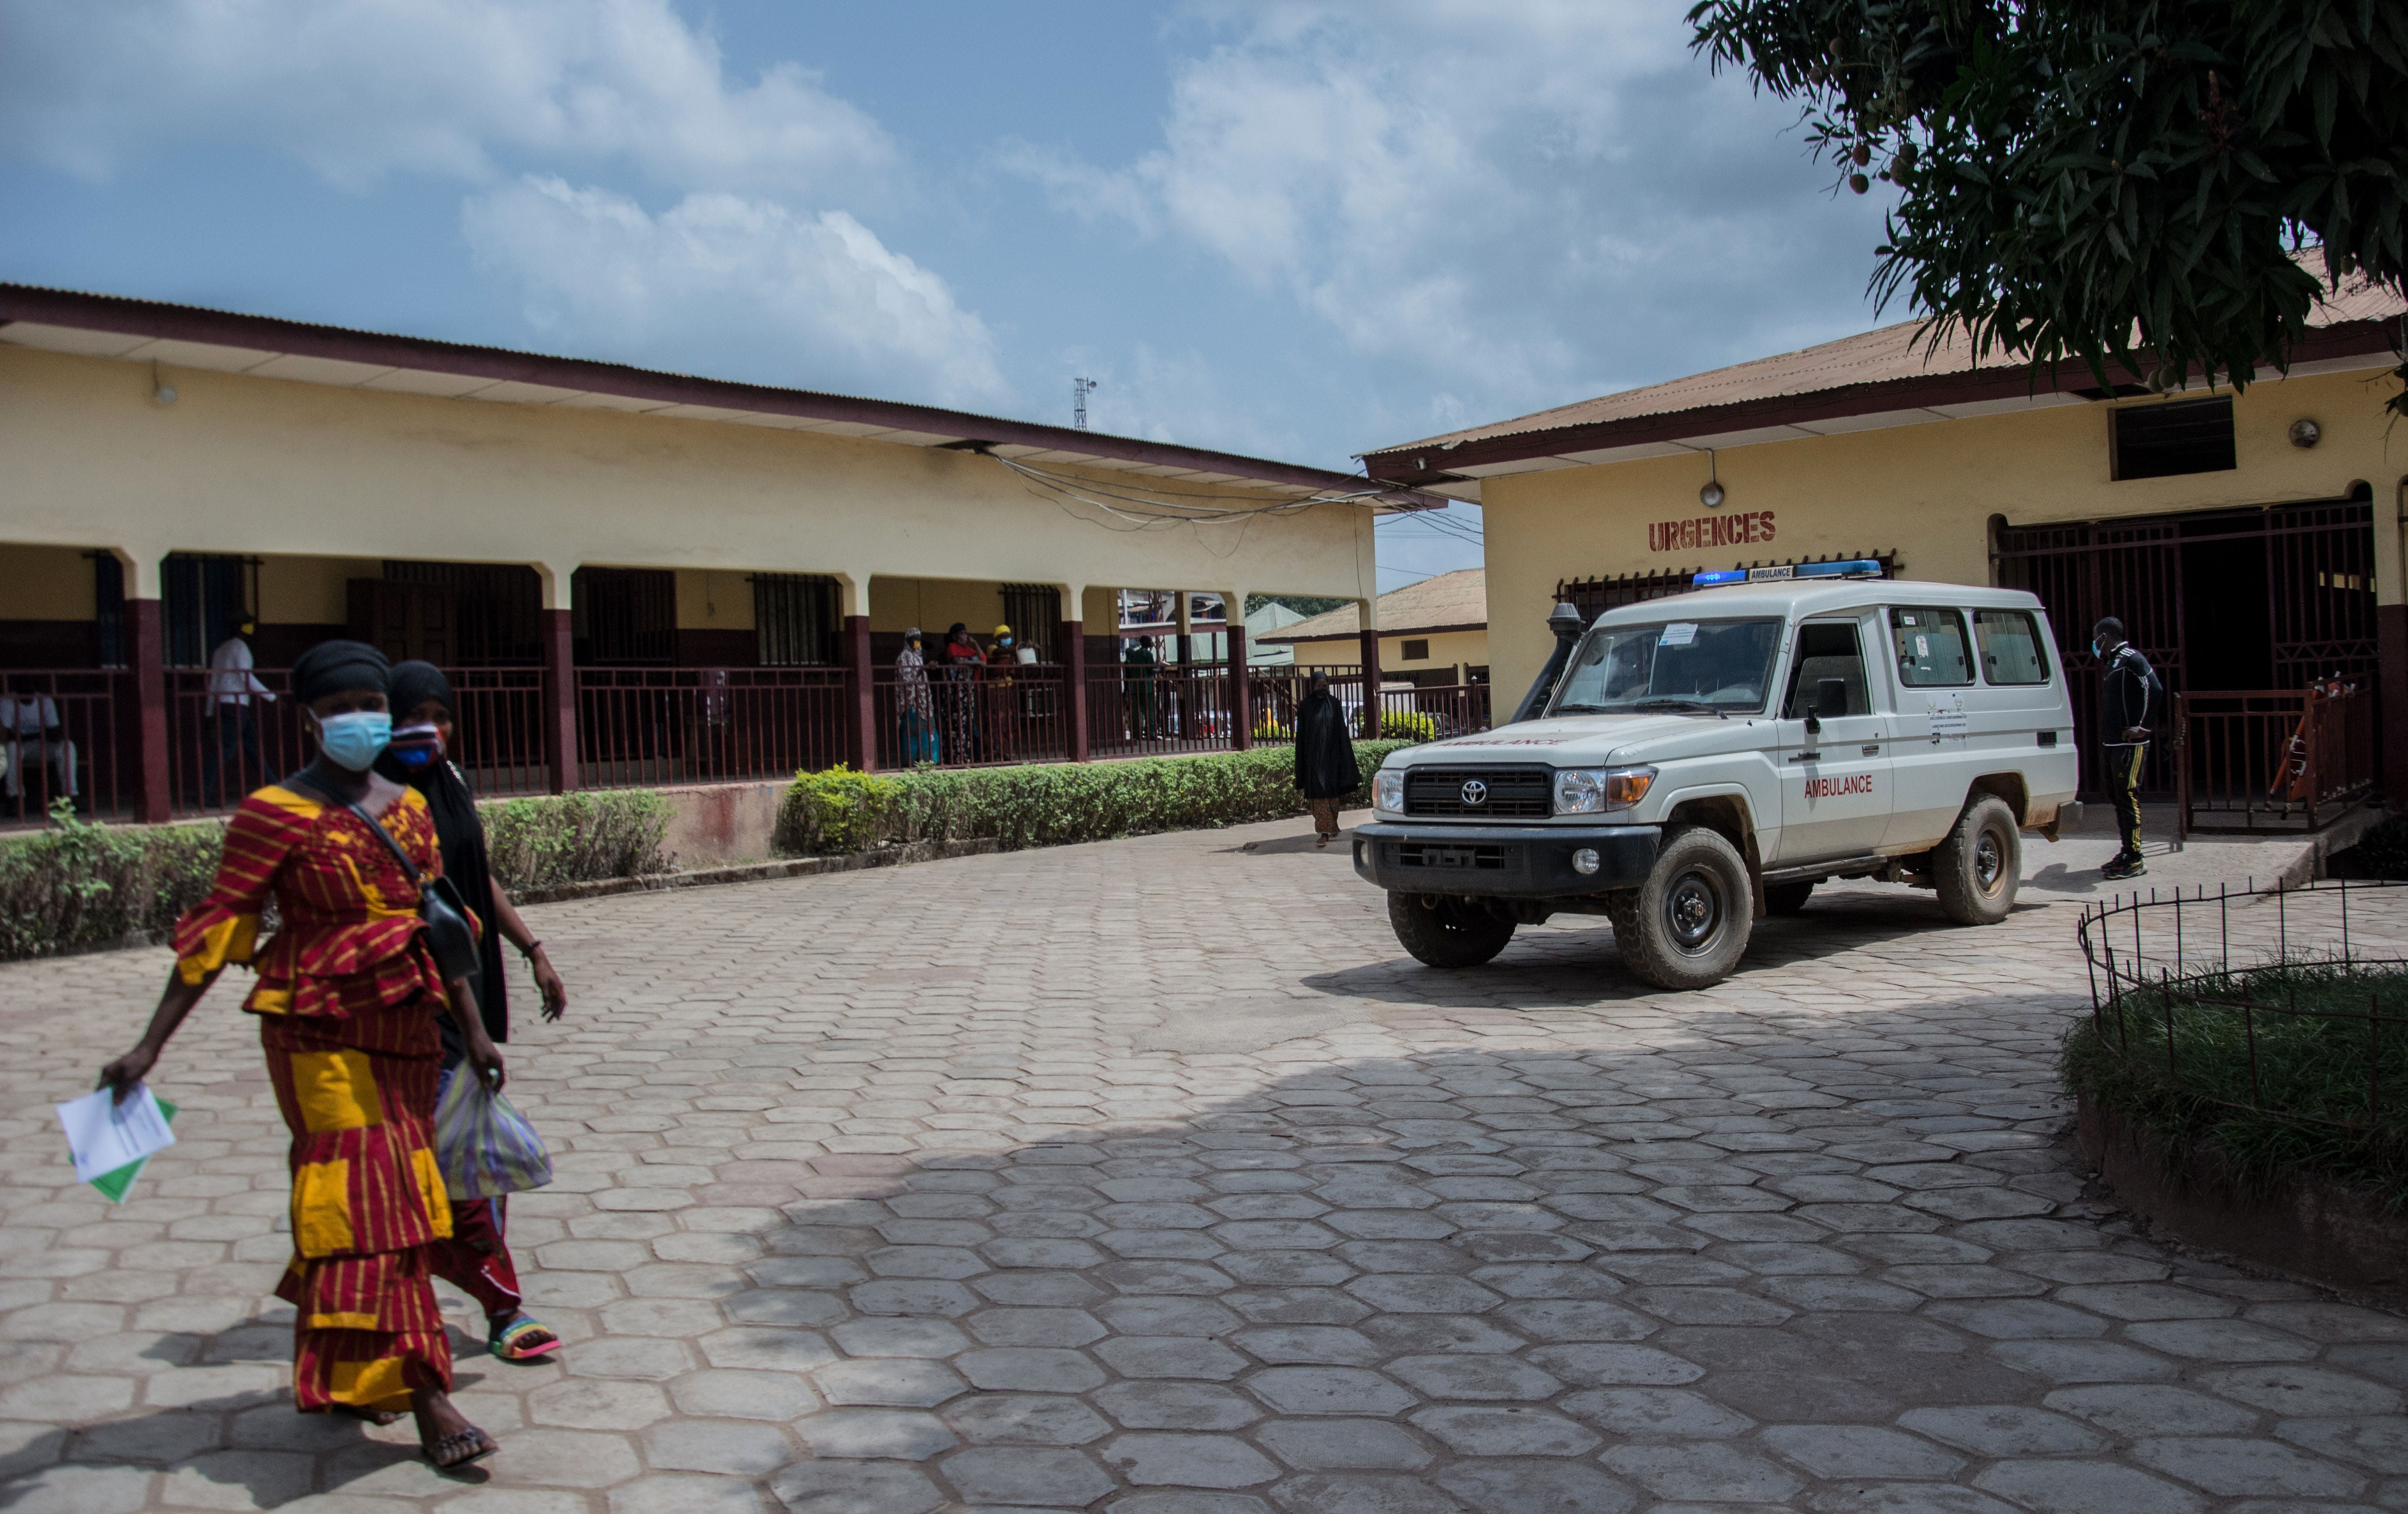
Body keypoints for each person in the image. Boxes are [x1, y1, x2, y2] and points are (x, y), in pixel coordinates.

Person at [98, 641, 503, 1469]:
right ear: (309, 717)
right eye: (345, 703)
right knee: (368, 1196)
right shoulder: (271, 812)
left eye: (374, 701)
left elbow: (445, 927)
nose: (364, 717)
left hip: (404, 1030)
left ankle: (346, 1364)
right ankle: (426, 1391)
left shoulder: (410, 808)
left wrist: (475, 1029)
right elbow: (217, 932)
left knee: (385, 1199)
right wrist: (149, 1045)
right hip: (313, 1029)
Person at [378, 662, 569, 1365]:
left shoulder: (449, 783)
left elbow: (474, 876)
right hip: (412, 1001)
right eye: (412, 715)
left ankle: (488, 1302)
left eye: (441, 715)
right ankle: (493, 1305)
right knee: (430, 1161)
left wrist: (533, 950)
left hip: (469, 993)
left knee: (469, 1154)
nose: (429, 729)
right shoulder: (376, 796)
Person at [2094, 616, 2163, 881]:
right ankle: (2126, 851)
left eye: (2096, 637)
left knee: (2127, 796)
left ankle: (2136, 859)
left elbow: (2155, 689)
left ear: (2105, 637)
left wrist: (2144, 727)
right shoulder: (2112, 662)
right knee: (2116, 797)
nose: (2095, 643)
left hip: (2128, 745)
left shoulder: (2132, 658)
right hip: (2111, 743)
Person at [204, 617, 276, 806]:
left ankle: (276, 787)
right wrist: (272, 697)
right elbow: (247, 678)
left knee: (253, 749)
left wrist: (210, 710)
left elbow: (214, 683)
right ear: (244, 628)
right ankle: (204, 794)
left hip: (226, 705)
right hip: (236, 706)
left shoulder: (220, 650)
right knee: (223, 751)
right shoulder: (241, 648)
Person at [1294, 671, 1360, 847]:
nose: (1322, 689)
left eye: (1325, 686)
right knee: (1319, 797)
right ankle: (1324, 833)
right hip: (1314, 762)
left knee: (1333, 796)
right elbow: (1301, 737)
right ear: (1313, 687)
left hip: (1332, 760)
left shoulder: (1335, 704)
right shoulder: (1306, 706)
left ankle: (1333, 826)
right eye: (1319, 686)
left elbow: (1341, 733)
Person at [1, 680, 78, 815]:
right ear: (16, 691)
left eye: (30, 690)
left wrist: (27, 735)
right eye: (23, 690)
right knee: (12, 748)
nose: (27, 694)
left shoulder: (45, 701)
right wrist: (39, 733)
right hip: (20, 747)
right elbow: (6, 736)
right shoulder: (7, 701)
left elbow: (54, 732)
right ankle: (15, 799)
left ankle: (70, 797)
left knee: (67, 746)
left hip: (41, 746)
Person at [940, 623, 985, 762]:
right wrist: (974, 664)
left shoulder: (970, 649)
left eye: (966, 633)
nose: (964, 636)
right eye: (961, 634)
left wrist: (975, 643)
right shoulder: (952, 647)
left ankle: (967, 757)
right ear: (954, 637)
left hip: (968, 693)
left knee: (968, 725)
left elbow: (983, 661)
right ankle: (957, 757)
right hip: (956, 694)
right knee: (957, 725)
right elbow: (957, 661)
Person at [895, 628, 938, 764]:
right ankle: (911, 763)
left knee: (927, 732)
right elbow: (907, 679)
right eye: (914, 640)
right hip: (911, 702)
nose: (917, 643)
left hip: (924, 702)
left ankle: (929, 762)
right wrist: (923, 669)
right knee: (913, 733)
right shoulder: (904, 657)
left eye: (919, 639)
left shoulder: (919, 656)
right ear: (908, 641)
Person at [985, 624, 1020, 761]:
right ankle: (993, 751)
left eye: (1008, 636)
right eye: (1003, 637)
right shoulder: (992, 648)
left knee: (1008, 722)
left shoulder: (1010, 650)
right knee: (995, 722)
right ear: (997, 639)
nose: (1007, 639)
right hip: (994, 690)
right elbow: (997, 654)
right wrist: (1015, 649)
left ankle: (1006, 751)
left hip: (1007, 689)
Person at [1125, 637, 1159, 742]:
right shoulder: (1148, 655)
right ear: (1147, 643)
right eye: (1150, 642)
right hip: (1147, 687)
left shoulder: (1134, 655)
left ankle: (1137, 734)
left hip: (1135, 687)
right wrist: (1159, 669)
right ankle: (1152, 734)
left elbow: (1130, 670)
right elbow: (1151, 669)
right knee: (1150, 712)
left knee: (1137, 712)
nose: (1152, 643)